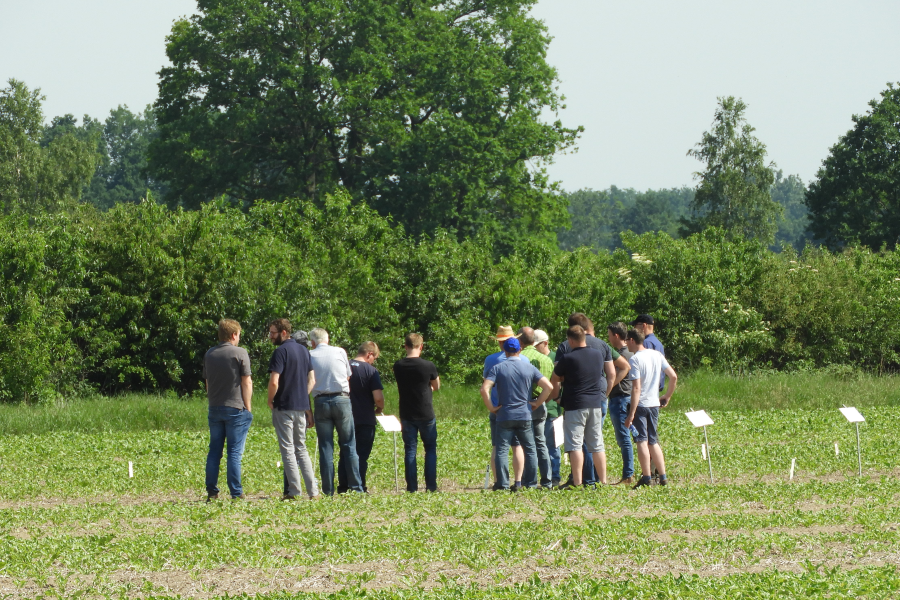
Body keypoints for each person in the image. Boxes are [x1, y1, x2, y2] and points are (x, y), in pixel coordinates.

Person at [555, 313, 629, 486]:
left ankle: (581, 479)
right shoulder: (602, 345)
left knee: (576, 442)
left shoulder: (565, 346)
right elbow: (619, 369)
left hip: (575, 399)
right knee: (595, 440)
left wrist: (558, 397)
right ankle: (597, 480)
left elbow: (558, 375)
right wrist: (606, 392)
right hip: (597, 397)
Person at [481, 337, 553, 490]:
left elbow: (484, 389)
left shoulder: (498, 368)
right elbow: (548, 387)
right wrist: (537, 403)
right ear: (519, 349)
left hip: (504, 415)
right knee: (530, 449)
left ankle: (502, 484)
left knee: (501, 449)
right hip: (524, 415)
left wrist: (492, 407)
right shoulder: (529, 367)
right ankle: (531, 483)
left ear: (505, 351)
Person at [267, 318, 319, 500]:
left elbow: (274, 381)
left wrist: (270, 399)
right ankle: (313, 492)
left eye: (273, 332)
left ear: (283, 333)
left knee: (287, 449)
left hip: (284, 406)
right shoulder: (305, 351)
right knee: (301, 449)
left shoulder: (280, 352)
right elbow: (312, 380)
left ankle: (294, 492)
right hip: (301, 407)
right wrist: (302, 396)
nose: (270, 336)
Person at [203, 319, 253, 501]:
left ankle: (212, 491)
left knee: (214, 450)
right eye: (238, 335)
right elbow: (246, 381)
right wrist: (248, 407)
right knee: (234, 452)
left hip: (215, 408)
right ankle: (236, 492)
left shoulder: (210, 354)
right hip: (235, 408)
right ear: (233, 335)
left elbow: (207, 382)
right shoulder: (239, 353)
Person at [309, 327, 363, 495]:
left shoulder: (309, 355)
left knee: (326, 446)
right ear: (328, 339)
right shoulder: (340, 351)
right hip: (341, 399)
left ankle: (328, 490)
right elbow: (347, 375)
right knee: (349, 444)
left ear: (312, 342)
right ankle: (355, 487)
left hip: (321, 401)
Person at [624, 328, 678, 489]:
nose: (626, 343)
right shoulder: (657, 354)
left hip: (641, 404)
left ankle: (646, 476)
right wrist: (667, 396)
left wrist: (631, 414)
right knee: (653, 441)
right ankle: (663, 477)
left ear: (633, 340)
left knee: (641, 440)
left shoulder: (635, 360)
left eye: (627, 340)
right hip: (654, 403)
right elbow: (673, 376)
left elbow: (636, 389)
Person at [393, 333, 440, 492]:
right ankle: (431, 486)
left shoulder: (398, 365)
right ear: (421, 346)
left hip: (407, 413)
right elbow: (436, 385)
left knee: (410, 450)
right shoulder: (428, 365)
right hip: (426, 412)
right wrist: (429, 387)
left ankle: (412, 487)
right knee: (430, 449)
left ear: (405, 346)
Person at [338, 341, 385, 493]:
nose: (373, 361)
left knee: (345, 452)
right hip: (365, 418)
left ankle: (343, 486)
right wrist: (379, 408)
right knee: (361, 455)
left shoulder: (344, 367)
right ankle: (359, 485)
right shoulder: (371, 371)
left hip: (345, 416)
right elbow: (378, 397)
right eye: (374, 358)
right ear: (369, 354)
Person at [483, 326, 525, 488]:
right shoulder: (524, 359)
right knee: (518, 447)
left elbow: (486, 383)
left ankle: (499, 481)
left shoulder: (491, 360)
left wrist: (491, 407)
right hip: (520, 408)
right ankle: (519, 481)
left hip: (499, 407)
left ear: (499, 342)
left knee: (498, 447)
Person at [518, 327, 554, 488]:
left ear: (520, 339)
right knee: (541, 443)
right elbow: (552, 385)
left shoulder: (520, 358)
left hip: (524, 404)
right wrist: (540, 401)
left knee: (526, 445)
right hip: (541, 403)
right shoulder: (546, 359)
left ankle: (529, 480)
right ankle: (547, 480)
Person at [606, 321, 635, 485]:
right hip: (629, 397)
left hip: (620, 398)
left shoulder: (621, 355)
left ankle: (628, 474)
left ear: (616, 335)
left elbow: (617, 375)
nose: (609, 339)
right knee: (633, 437)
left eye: (610, 335)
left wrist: (608, 389)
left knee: (623, 438)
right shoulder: (631, 352)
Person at [534, 328, 562, 486]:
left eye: (537, 345)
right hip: (538, 407)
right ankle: (545, 475)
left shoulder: (555, 358)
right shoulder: (534, 359)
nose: (535, 348)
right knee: (540, 444)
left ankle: (555, 476)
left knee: (553, 444)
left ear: (545, 343)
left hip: (552, 408)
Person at [632, 314, 665, 391]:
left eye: (635, 325)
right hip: (657, 386)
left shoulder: (645, 343)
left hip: (647, 388)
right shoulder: (658, 343)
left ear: (644, 325)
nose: (634, 328)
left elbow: (645, 368)